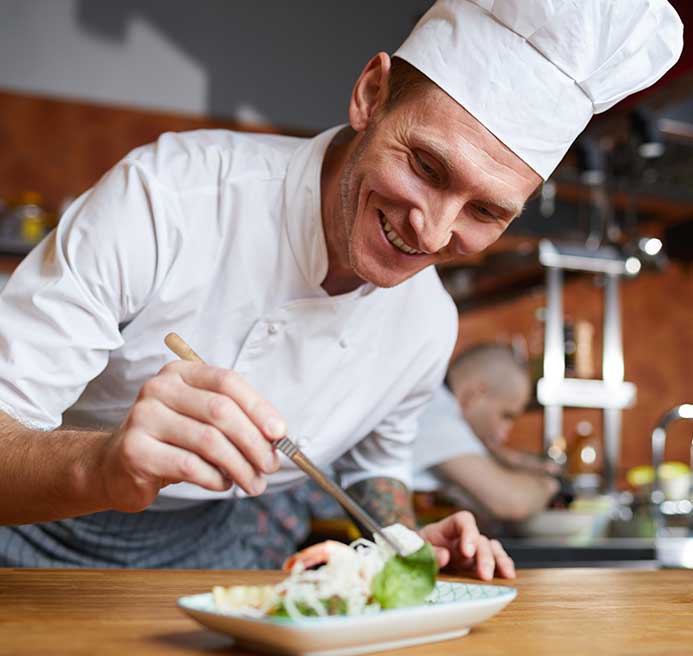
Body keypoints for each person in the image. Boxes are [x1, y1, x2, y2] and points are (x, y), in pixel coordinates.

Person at [0, 1, 682, 577]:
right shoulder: (167, 197)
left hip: (224, 557)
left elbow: (374, 469)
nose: (431, 231)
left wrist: (403, 544)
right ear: (370, 96)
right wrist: (102, 466)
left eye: (484, 210)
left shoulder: (428, 325)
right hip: (30, 532)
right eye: (426, 166)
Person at [413, 344, 561, 526]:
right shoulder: (435, 412)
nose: (505, 433)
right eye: (506, 416)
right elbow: (512, 502)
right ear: (476, 395)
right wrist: (550, 485)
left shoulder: (436, 402)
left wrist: (510, 459)